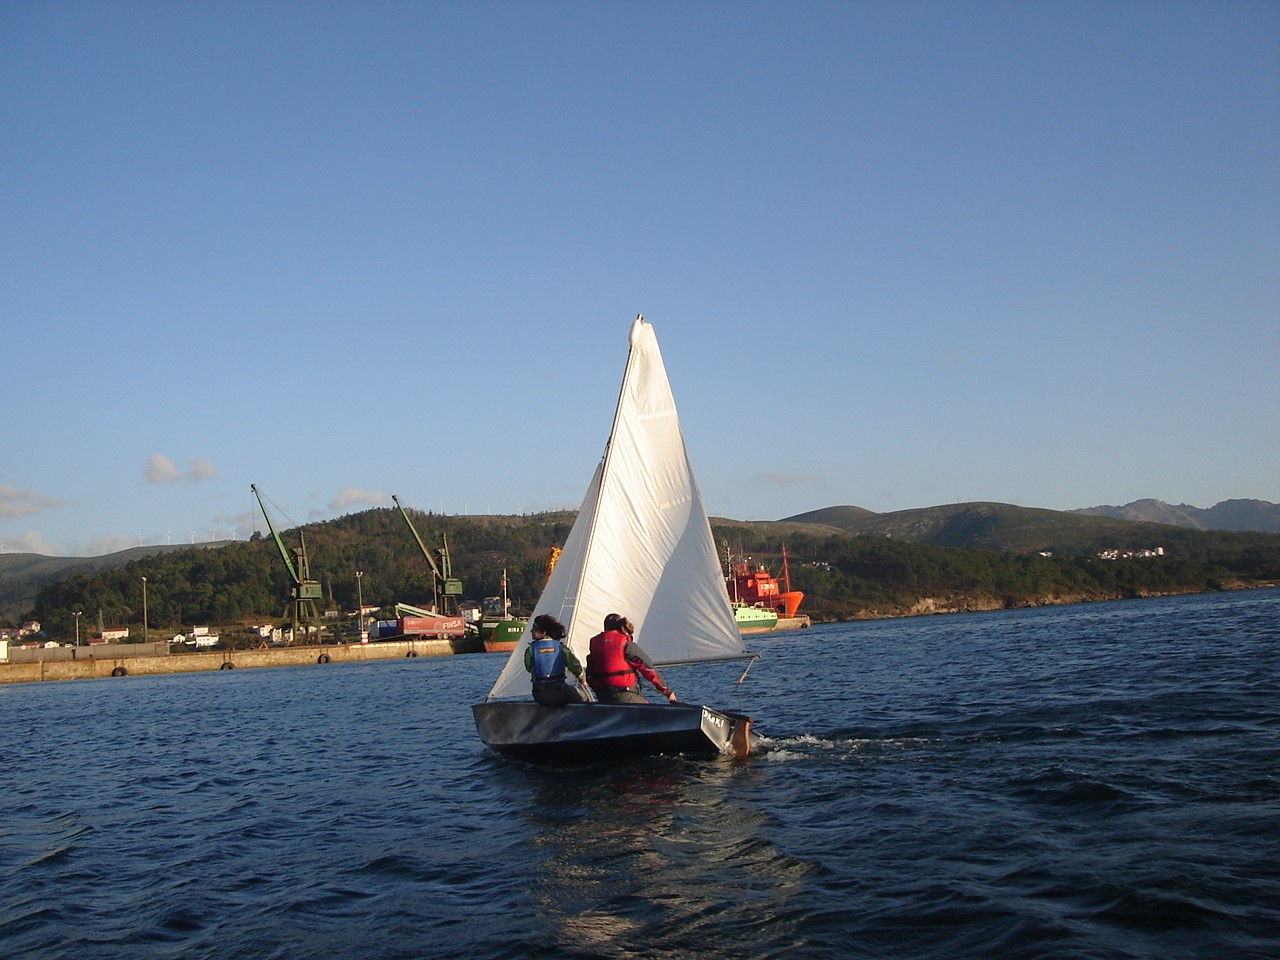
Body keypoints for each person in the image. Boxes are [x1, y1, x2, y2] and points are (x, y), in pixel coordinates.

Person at [586, 613, 677, 705]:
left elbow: (590, 673)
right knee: (648, 712)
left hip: (603, 695)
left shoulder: (594, 643)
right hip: (625, 694)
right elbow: (648, 668)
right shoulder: (625, 644)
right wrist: (667, 691)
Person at [524, 613, 590, 706]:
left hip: (540, 695)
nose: (531, 631)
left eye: (534, 629)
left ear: (543, 632)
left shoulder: (531, 649)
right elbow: (574, 665)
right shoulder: (560, 647)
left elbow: (528, 667)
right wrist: (583, 680)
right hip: (560, 692)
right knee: (584, 697)